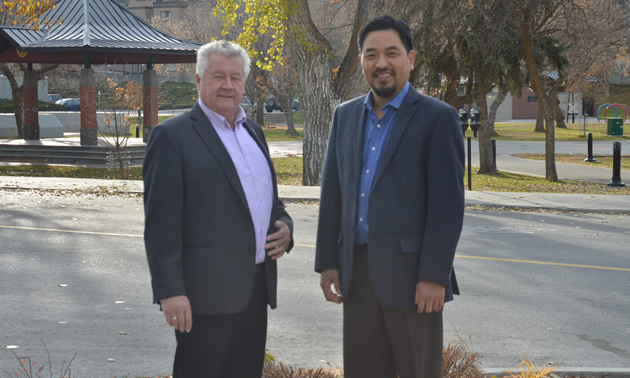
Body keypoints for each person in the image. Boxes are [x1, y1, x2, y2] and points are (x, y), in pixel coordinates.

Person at [315, 15, 465, 378]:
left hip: (415, 280)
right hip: (357, 274)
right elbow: (333, 193)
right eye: (371, 55)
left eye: (391, 53)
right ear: (362, 61)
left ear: (410, 59)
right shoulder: (345, 116)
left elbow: (447, 206)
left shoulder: (438, 119)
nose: (381, 63)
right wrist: (328, 261)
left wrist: (434, 275)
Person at [143, 40, 294, 378]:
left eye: (235, 78)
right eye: (218, 76)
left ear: (244, 83)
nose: (228, 85)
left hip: (256, 293)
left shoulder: (254, 132)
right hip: (202, 300)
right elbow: (160, 226)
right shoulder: (171, 137)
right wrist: (171, 292)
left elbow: (270, 202)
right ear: (198, 80)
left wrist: (285, 225)